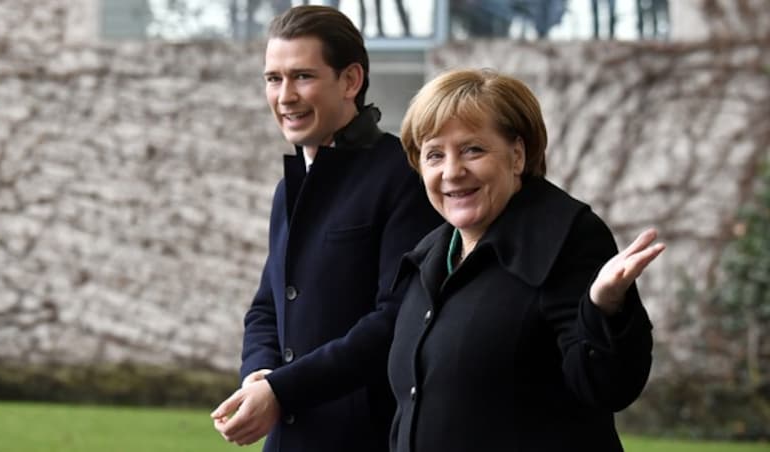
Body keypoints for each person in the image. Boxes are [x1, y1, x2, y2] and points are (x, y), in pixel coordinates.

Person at [387, 68, 665, 452]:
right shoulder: (431, 255)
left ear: (517, 155)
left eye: (473, 150)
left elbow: (607, 387)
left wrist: (603, 307)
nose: (452, 172)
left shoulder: (565, 238)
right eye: (434, 154)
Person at [211, 5, 442, 452]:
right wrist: (258, 376)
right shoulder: (289, 189)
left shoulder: (404, 177)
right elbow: (266, 308)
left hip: (365, 439)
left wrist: (282, 390)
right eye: (273, 79)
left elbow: (396, 319)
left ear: (351, 80)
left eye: (302, 76)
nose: (285, 96)